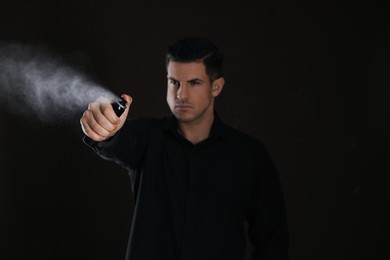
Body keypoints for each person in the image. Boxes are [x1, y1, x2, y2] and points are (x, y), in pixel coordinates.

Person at [80, 36, 289, 260]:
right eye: (174, 82)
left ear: (216, 86)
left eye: (194, 83)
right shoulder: (146, 138)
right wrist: (106, 127)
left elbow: (273, 244)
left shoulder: (249, 156)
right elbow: (117, 140)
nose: (181, 94)